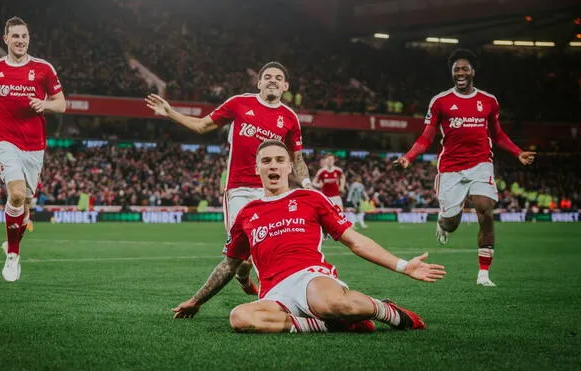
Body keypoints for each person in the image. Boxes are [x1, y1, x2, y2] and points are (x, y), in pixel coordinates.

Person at [172, 140, 446, 333]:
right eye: (266, 161)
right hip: (273, 293)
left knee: (333, 303)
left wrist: (403, 266)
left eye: (280, 160)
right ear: (257, 169)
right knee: (240, 318)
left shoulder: (310, 198)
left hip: (309, 277)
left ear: (290, 167)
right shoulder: (247, 213)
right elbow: (229, 264)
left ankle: (386, 311)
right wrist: (197, 301)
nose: (273, 166)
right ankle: (327, 324)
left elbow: (355, 240)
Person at [146, 62, 312, 295]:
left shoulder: (290, 118)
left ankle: (275, 298)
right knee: (242, 259)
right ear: (259, 82)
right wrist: (170, 112)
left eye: (278, 77)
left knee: (272, 250)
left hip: (272, 192)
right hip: (240, 190)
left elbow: (297, 159)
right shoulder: (239, 103)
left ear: (285, 86)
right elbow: (202, 126)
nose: (272, 80)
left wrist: (307, 185)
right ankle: (244, 279)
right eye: (267, 76)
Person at [394, 49, 535, 287]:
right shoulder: (440, 101)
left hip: (481, 163)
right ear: (452, 73)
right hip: (451, 168)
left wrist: (517, 152)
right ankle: (443, 222)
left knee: (485, 208)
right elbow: (426, 137)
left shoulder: (489, 101)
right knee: (452, 222)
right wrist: (408, 158)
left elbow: (497, 134)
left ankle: (483, 274)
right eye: (456, 69)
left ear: (473, 72)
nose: (460, 72)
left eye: (464, 68)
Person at [0, 16, 66, 282]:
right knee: (16, 194)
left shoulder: (43, 69)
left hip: (34, 145)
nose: (20, 41)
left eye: (24, 36)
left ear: (29, 39)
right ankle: (13, 255)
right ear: (5, 39)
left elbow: (61, 103)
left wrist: (46, 105)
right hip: (2, 138)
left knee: (26, 204)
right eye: (15, 36)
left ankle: (11, 242)